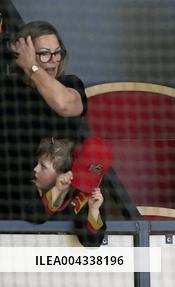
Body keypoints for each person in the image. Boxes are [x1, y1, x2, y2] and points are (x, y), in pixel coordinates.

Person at [0, 21, 88, 220]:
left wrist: (32, 66)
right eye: (44, 54)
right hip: (12, 200)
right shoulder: (6, 89)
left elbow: (64, 105)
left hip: (59, 201)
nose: (53, 60)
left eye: (57, 53)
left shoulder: (70, 83)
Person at [29, 137, 109, 247]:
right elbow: (35, 217)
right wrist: (57, 190)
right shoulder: (38, 184)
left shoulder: (88, 197)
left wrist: (94, 210)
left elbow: (92, 242)